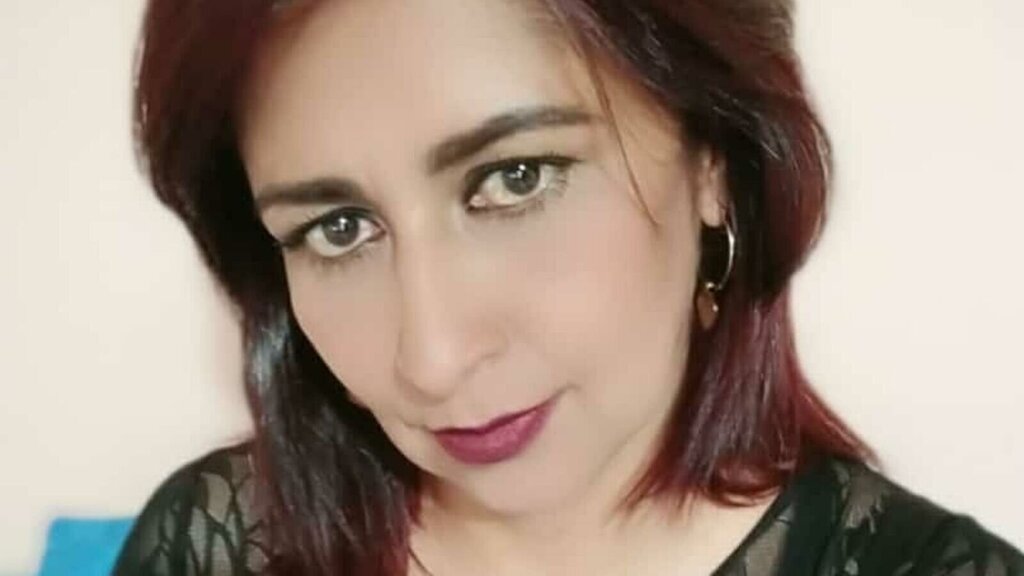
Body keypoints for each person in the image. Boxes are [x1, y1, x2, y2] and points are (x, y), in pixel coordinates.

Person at [114, 0, 1024, 574]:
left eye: (517, 179)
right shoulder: (215, 542)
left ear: (714, 159)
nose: (432, 360)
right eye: (337, 228)